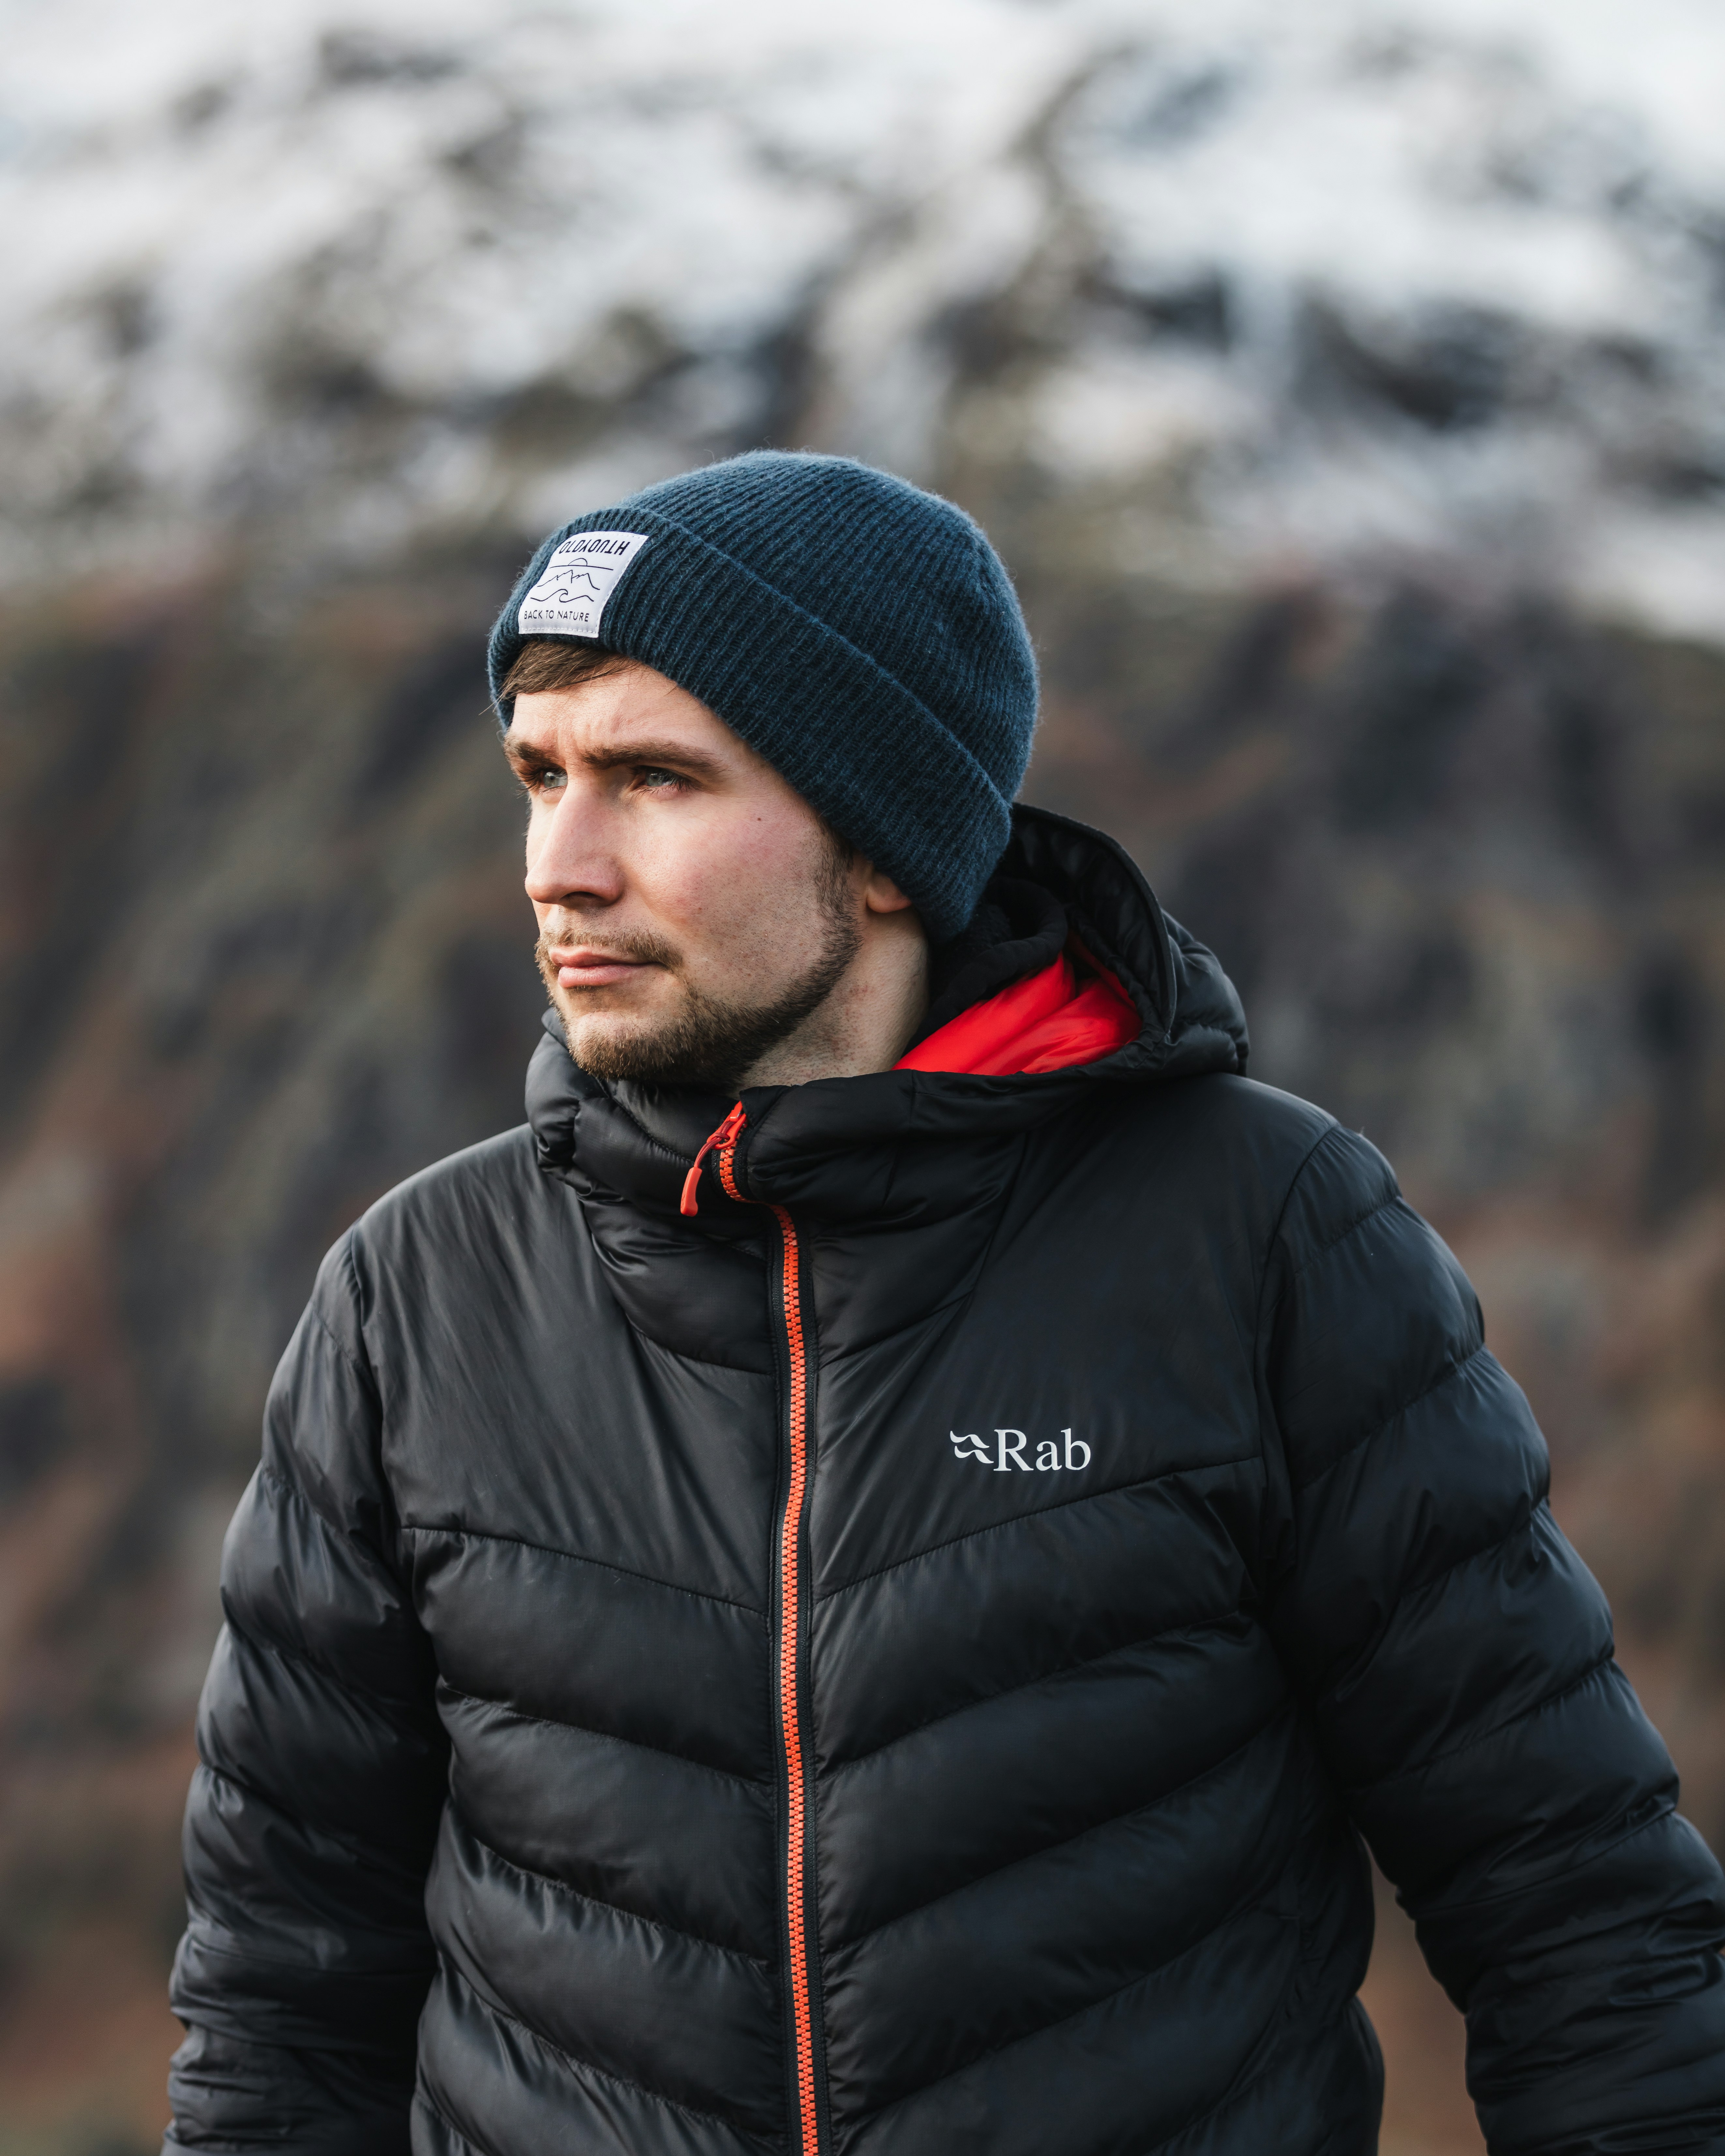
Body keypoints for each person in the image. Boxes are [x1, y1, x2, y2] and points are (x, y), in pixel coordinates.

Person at [163, 452, 1725, 2156]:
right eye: (540, 774)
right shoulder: (416, 1297)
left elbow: (1583, 1918)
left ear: (890, 845)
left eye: (655, 780)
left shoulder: (1263, 1236)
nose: (562, 861)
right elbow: (277, 2003)